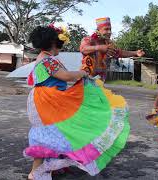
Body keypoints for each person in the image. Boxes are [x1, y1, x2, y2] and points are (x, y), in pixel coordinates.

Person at [24, 24, 130, 180]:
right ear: (53, 43)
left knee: (48, 134)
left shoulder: (43, 58)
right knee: (59, 131)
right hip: (47, 101)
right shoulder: (48, 60)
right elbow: (66, 76)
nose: (61, 46)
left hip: (44, 100)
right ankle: (38, 172)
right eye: (60, 43)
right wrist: (83, 73)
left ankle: (38, 172)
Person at [79, 17, 145, 81]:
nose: (109, 32)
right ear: (98, 30)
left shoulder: (108, 44)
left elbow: (120, 53)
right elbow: (83, 49)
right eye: (106, 29)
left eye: (110, 29)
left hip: (99, 81)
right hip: (86, 79)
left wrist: (135, 53)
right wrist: (100, 48)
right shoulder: (89, 40)